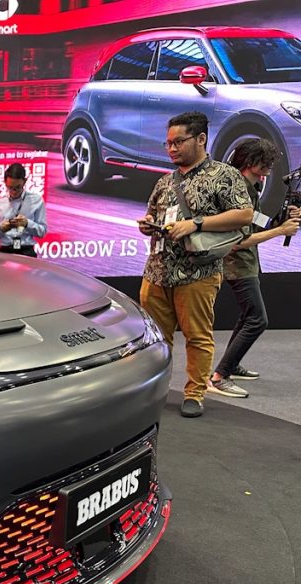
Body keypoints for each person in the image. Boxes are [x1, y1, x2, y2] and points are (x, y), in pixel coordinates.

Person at [135, 111, 253, 418]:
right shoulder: (165, 181)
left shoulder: (224, 175)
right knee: (155, 340)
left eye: (178, 142)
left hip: (197, 272)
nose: (172, 149)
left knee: (197, 337)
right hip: (157, 272)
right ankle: (155, 390)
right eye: (168, 143)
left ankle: (194, 393)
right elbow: (153, 214)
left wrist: (196, 223)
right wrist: (148, 224)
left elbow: (244, 215)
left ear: (201, 139)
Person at [208, 138, 301, 398]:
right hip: (237, 264)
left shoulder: (250, 188)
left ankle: (232, 365)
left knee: (248, 315)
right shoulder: (237, 191)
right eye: (266, 162)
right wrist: (280, 231)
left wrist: (281, 220)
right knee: (257, 319)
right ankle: (219, 377)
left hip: (247, 262)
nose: (270, 168)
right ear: (251, 162)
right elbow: (237, 241)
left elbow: (256, 221)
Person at [0, 162, 47, 257]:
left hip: (26, 251)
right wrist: (0, 229)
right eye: (10, 187)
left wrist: (27, 224)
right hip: (4, 251)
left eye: (18, 187)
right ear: (5, 183)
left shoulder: (36, 201)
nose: (14, 191)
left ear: (24, 181)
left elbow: (42, 232)